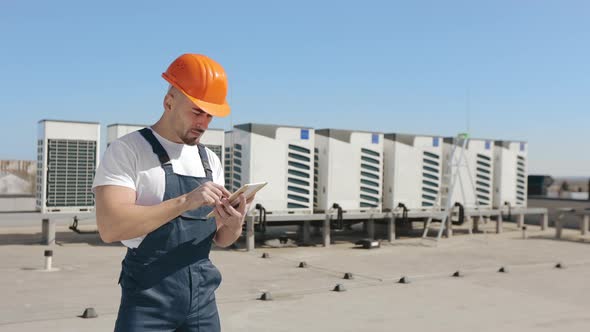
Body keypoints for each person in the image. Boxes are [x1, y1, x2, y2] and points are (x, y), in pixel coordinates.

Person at [93, 53, 253, 331]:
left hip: (202, 298)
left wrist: (234, 223)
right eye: (196, 111)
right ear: (169, 102)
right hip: (147, 301)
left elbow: (221, 239)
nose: (203, 123)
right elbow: (110, 227)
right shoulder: (128, 150)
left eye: (209, 115)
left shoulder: (209, 161)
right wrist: (185, 201)